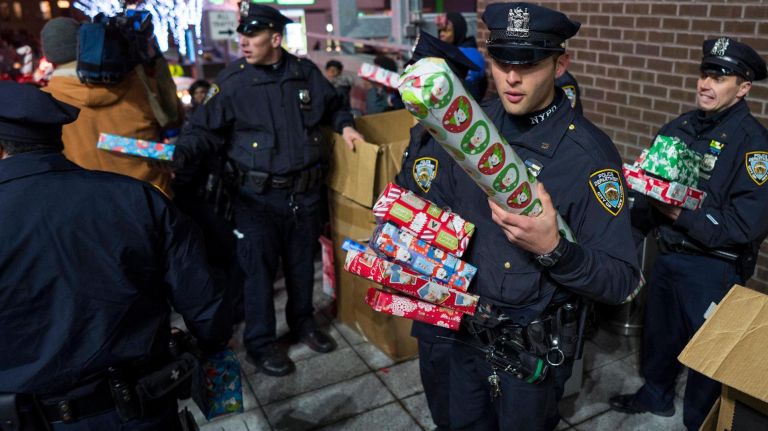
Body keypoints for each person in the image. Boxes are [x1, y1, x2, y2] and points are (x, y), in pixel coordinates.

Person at [423, 4, 641, 430]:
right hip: (463, 332)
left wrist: (554, 250)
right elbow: (439, 211)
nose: (512, 77)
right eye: (501, 61)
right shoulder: (469, 127)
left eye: (528, 64)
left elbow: (621, 280)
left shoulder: (590, 158)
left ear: (561, 64)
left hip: (531, 354)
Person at [0, 81, 232, 430]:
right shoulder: (138, 195)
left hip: (30, 417)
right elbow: (204, 301)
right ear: (58, 136)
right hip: (142, 407)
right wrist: (208, 348)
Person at [173, 3, 364, 377]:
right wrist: (180, 158)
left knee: (299, 266)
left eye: (252, 35)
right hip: (254, 198)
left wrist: (347, 126)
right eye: (241, 34)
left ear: (275, 38)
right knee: (257, 273)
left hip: (304, 194)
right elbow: (200, 131)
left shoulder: (304, 73)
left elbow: (335, 106)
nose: (243, 41)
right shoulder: (231, 83)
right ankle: (260, 344)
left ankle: (303, 323)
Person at [609, 37, 768, 431]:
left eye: (721, 76)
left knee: (708, 358)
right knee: (659, 335)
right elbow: (650, 192)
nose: (706, 83)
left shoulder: (754, 146)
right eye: (704, 73)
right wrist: (622, 246)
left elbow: (746, 225)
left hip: (714, 269)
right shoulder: (679, 126)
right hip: (668, 257)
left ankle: (702, 422)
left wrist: (679, 210)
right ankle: (655, 396)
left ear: (743, 87)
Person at [396, 30, 480, 431]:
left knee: (453, 374)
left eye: (421, 84)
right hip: (424, 271)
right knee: (432, 366)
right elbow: (404, 187)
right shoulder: (420, 131)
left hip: (458, 276)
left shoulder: (469, 140)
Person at [40, 17, 182, 197]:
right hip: (152, 204)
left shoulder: (44, 103)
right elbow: (174, 120)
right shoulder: (138, 86)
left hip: (91, 211)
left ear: (49, 58)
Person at [438, 12, 488, 101]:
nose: (441, 34)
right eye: (440, 30)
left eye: (446, 30)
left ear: (458, 31)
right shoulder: (446, 50)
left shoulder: (470, 55)